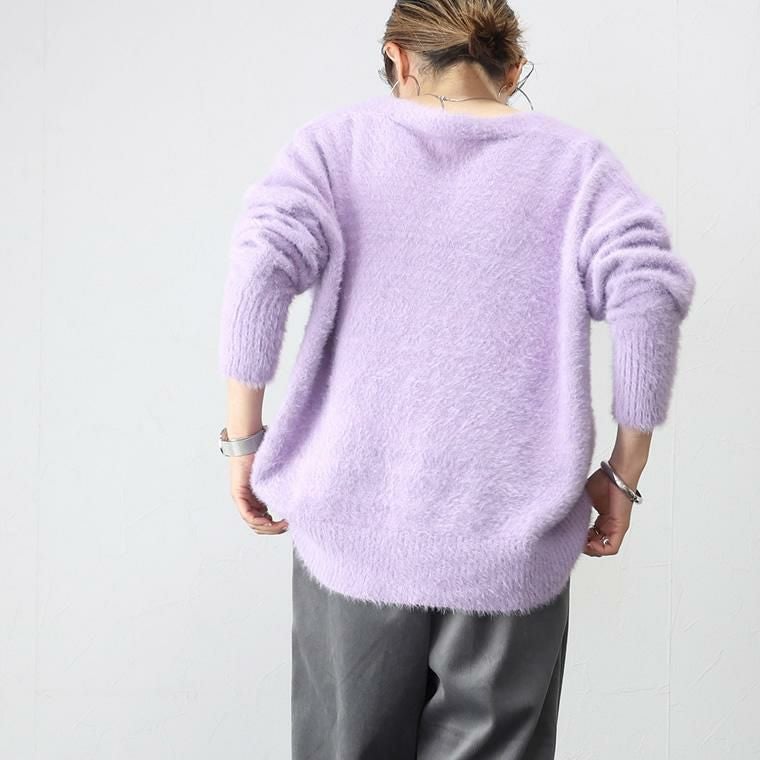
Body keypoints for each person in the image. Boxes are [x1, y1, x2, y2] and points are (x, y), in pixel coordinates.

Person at [216, 1, 696, 757]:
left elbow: (261, 268)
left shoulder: (335, 148)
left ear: (398, 57)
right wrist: (622, 473)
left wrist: (245, 441)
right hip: (511, 539)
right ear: (513, 68)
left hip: (353, 527)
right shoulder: (579, 167)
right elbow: (648, 293)